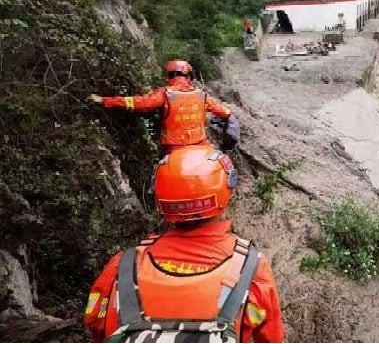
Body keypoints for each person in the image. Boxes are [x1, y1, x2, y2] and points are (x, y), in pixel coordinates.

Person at [84, 145, 285, 343]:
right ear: (226, 190)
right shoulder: (251, 269)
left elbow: (96, 327)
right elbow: (270, 338)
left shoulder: (122, 267)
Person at [88, 59, 239, 151]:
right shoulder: (201, 95)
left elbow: (139, 103)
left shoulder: (165, 94)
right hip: (200, 145)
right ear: (189, 76)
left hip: (173, 149)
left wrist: (106, 101)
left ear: (169, 75)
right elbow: (226, 114)